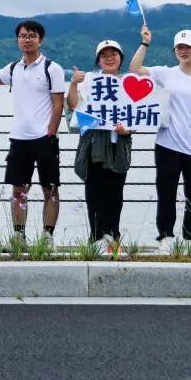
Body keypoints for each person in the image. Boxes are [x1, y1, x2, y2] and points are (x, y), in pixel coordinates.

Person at [130, 25, 191, 251]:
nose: (183, 51)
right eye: (179, 47)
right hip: (166, 145)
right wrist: (145, 43)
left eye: (188, 47)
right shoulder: (166, 73)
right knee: (166, 193)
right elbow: (135, 68)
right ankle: (165, 236)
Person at [0, 19, 65, 238]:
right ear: (17, 40)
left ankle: (47, 236)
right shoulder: (13, 68)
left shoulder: (51, 68)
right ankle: (19, 236)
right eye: (23, 36)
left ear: (40, 40)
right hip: (19, 138)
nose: (27, 40)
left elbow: (58, 103)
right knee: (18, 190)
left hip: (44, 137)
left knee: (51, 190)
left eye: (32, 36)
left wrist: (51, 132)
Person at [66, 40, 133, 249]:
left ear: (121, 57)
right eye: (104, 55)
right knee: (94, 192)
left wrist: (128, 129)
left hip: (118, 145)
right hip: (94, 145)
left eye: (113, 54)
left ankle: (113, 235)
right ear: (98, 60)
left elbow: (137, 115)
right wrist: (74, 83)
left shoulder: (129, 83)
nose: (109, 58)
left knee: (115, 193)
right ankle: (96, 238)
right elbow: (73, 106)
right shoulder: (89, 81)